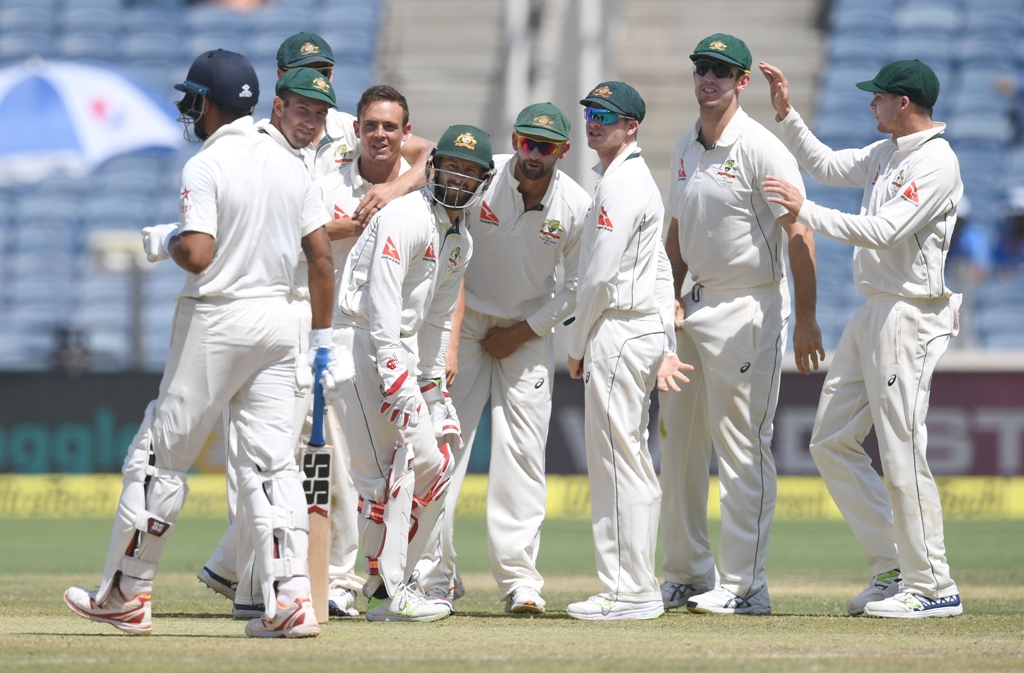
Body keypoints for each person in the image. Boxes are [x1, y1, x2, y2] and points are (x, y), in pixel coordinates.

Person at [64, 49, 337, 638]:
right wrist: (323, 342)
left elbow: (200, 254)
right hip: (280, 323)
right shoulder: (295, 162)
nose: (192, 112)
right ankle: (290, 602)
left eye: (195, 101)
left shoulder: (206, 166)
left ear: (211, 104)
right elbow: (319, 255)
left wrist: (167, 239)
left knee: (158, 458)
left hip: (219, 319)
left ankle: (125, 594)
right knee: (272, 467)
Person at [196, 32, 436, 620]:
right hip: (286, 308)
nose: (318, 88)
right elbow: (303, 231)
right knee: (266, 453)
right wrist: (337, 228)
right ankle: (250, 575)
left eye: (326, 75)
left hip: (337, 323)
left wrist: (393, 187)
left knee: (331, 460)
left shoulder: (343, 133)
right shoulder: (273, 143)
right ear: (280, 86)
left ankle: (328, 580)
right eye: (306, 79)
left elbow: (426, 151)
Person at [759, 58, 965, 618]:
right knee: (830, 440)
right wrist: (788, 116)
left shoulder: (937, 162)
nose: (870, 104)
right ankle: (894, 570)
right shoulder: (884, 154)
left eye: (877, 97)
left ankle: (934, 585)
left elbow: (883, 230)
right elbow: (824, 164)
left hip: (910, 315)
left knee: (902, 448)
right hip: (874, 311)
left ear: (903, 103)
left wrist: (805, 212)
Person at [659, 34, 823, 617]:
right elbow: (677, 230)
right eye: (702, 69)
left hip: (749, 309)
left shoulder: (760, 146)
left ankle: (746, 585)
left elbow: (799, 232)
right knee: (678, 447)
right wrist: (670, 298)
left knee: (742, 449)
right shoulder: (685, 147)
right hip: (693, 308)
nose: (709, 79)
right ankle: (684, 574)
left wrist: (805, 318)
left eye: (722, 72)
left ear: (743, 82)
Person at [412, 103, 591, 614]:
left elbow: (578, 287)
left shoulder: (575, 204)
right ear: (514, 139)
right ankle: (433, 573)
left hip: (527, 335)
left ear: (564, 150)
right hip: (463, 325)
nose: (534, 155)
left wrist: (523, 332)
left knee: (522, 456)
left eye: (547, 147)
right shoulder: (481, 179)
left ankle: (519, 580)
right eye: (528, 143)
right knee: (444, 448)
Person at [323, 124, 494, 622]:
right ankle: (390, 592)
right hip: (360, 347)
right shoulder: (406, 215)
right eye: (454, 167)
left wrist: (433, 386)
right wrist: (397, 375)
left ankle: (393, 586)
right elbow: (380, 302)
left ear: (482, 180)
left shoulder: (459, 237)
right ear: (435, 165)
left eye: (471, 172)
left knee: (434, 466)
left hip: (399, 358)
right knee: (380, 478)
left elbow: (438, 320)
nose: (459, 179)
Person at [566, 81, 692, 621]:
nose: (594, 122)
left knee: (619, 463)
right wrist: (665, 341)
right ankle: (636, 584)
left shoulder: (622, 183)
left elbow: (597, 277)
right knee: (632, 461)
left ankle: (629, 590)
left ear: (631, 126)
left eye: (606, 116)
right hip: (637, 331)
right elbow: (663, 270)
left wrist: (575, 343)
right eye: (590, 113)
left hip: (617, 329)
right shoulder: (630, 178)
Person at [312, 84, 418, 617]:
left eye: (390, 126)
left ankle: (401, 572)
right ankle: (339, 579)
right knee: (343, 467)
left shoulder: (417, 191)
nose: (379, 134)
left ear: (404, 134)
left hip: (401, 343)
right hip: (339, 338)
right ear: (355, 129)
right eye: (370, 125)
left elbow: (436, 157)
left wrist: (398, 187)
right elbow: (300, 234)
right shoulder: (328, 176)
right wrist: (351, 223)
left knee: (407, 465)